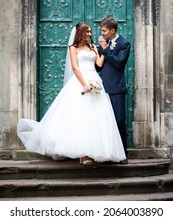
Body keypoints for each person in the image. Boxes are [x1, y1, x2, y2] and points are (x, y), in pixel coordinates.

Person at [17, 22, 126, 165]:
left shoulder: (93, 47)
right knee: (80, 117)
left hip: (95, 82)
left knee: (96, 118)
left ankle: (93, 152)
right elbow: (75, 68)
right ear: (80, 33)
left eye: (90, 32)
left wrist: (104, 49)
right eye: (87, 32)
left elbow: (99, 64)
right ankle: (83, 155)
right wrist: (84, 84)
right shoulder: (73, 48)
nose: (90, 34)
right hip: (80, 83)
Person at [98, 17, 131, 165]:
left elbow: (118, 63)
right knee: (105, 122)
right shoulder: (103, 44)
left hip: (116, 88)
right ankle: (108, 154)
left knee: (119, 121)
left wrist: (105, 50)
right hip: (101, 88)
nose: (102, 33)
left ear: (112, 30)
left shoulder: (124, 44)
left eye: (104, 30)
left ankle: (122, 154)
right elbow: (99, 66)